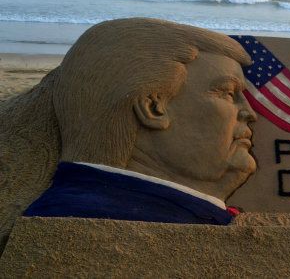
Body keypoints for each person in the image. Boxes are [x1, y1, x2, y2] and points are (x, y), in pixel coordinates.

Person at [13, 18, 257, 225]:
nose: (250, 112)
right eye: (227, 93)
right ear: (153, 108)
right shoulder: (96, 218)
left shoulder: (173, 213)